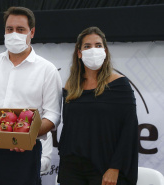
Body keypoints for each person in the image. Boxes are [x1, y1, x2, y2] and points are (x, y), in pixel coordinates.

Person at [0, 6, 62, 185]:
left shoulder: (47, 70)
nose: (13, 33)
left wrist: (27, 136)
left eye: (20, 29)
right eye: (9, 29)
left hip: (24, 152)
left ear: (32, 32)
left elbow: (53, 115)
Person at [58, 27, 138, 185]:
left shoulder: (119, 84)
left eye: (98, 45)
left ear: (105, 51)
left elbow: (130, 129)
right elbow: (69, 126)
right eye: (87, 46)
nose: (93, 50)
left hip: (106, 167)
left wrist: (115, 167)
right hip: (72, 167)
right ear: (79, 52)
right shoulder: (70, 86)